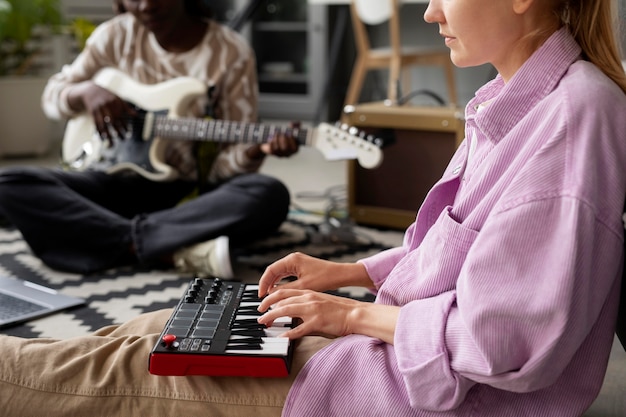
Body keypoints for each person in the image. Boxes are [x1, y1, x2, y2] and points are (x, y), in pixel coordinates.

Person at [1, 0, 626, 415]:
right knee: (162, 323)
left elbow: (503, 341)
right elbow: (459, 253)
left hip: (415, 391)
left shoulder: (571, 118)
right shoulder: (514, 100)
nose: (430, 10)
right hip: (398, 351)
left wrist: (349, 318)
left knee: (130, 368)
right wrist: (350, 274)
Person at [0, 0, 299, 278]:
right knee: (11, 183)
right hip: (107, 182)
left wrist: (255, 151)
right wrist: (86, 91)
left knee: (268, 193)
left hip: (183, 200)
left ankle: (114, 238)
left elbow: (223, 170)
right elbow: (52, 97)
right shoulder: (114, 35)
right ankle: (164, 248)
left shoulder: (230, 52)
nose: (146, 5)